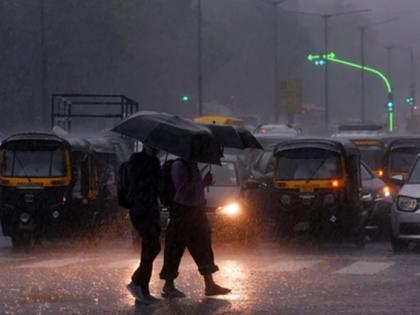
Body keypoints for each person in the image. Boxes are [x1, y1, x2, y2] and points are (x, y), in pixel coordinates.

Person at [159, 159, 231, 297]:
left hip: (197, 211)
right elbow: (183, 190)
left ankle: (210, 285)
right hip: (183, 212)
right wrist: (200, 183)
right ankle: (168, 286)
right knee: (175, 249)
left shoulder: (193, 166)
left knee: (203, 247)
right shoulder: (179, 166)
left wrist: (204, 183)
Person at [126, 145, 161, 304]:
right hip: (140, 208)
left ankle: (143, 290)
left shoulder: (155, 161)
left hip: (152, 208)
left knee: (149, 248)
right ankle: (136, 281)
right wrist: (153, 176)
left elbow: (158, 187)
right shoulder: (136, 159)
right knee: (153, 246)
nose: (157, 148)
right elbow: (136, 184)